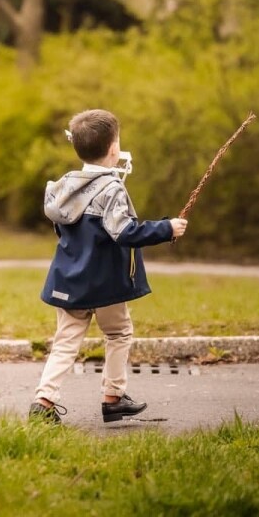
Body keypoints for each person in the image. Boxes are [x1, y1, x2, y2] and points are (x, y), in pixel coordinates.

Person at [28, 109, 186, 425]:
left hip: (70, 280)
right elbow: (124, 232)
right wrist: (166, 228)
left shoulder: (64, 186)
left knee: (65, 341)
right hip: (105, 283)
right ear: (114, 149)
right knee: (118, 332)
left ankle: (43, 400)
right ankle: (113, 397)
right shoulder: (111, 188)